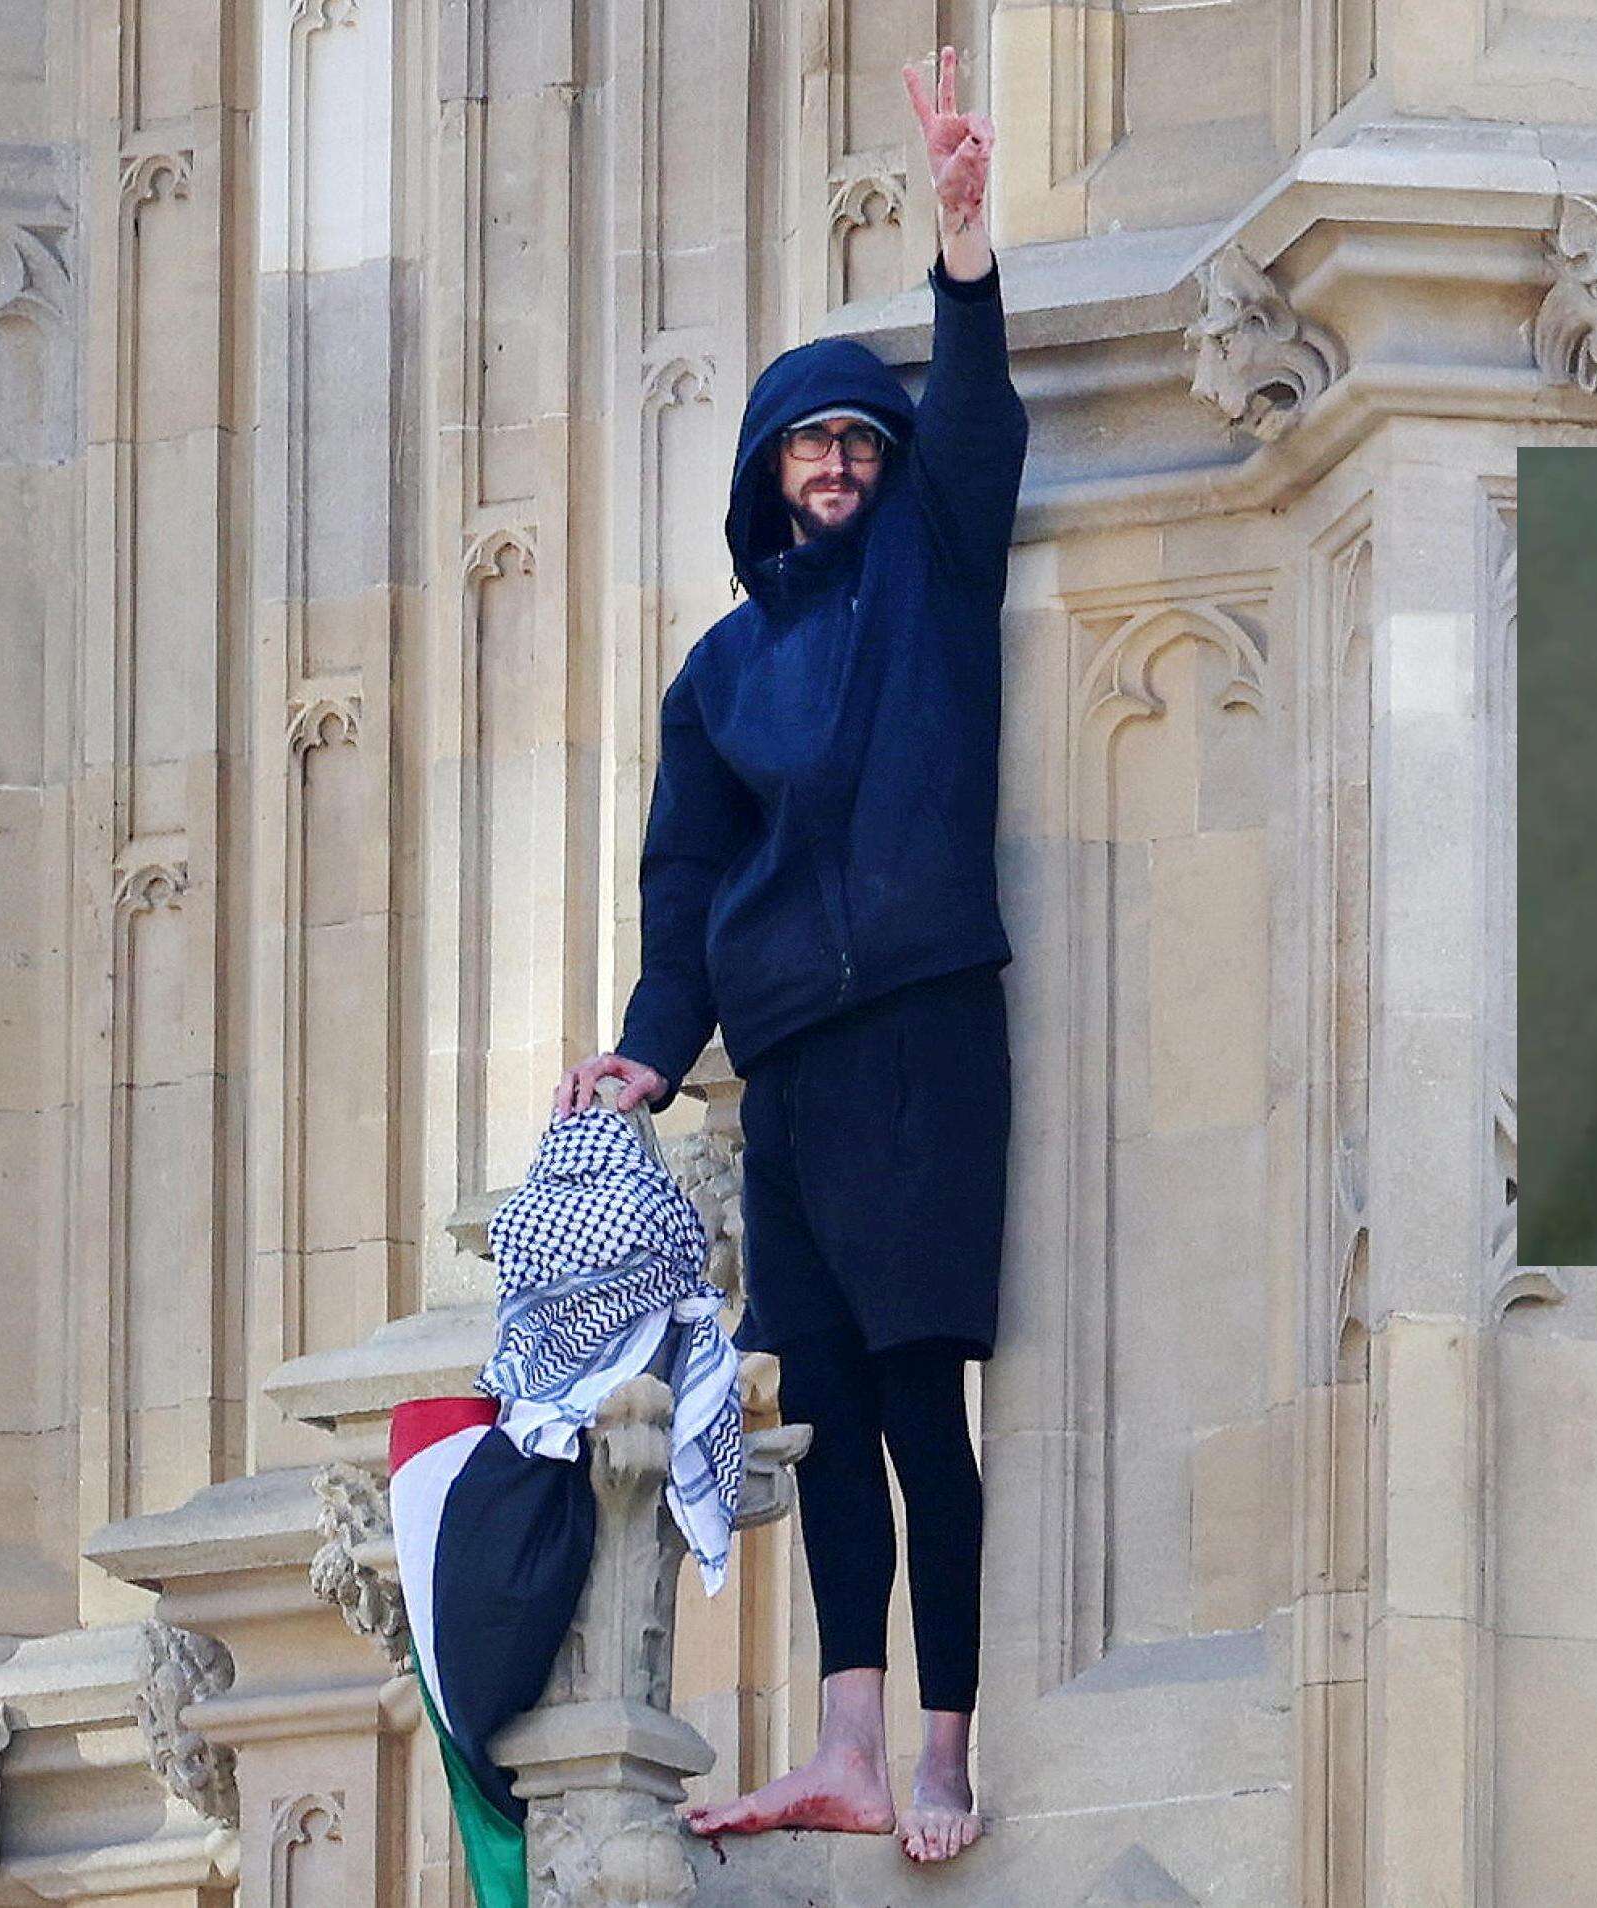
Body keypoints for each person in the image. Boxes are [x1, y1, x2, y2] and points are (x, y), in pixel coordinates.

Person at [553, 43, 1020, 1867]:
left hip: (922, 1022)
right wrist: (647, 1050)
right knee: (817, 1403)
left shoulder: (932, 565)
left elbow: (975, 428)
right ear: (766, 475)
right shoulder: (718, 674)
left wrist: (963, 254)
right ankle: (841, 1735)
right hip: (798, 1057)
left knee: (923, 1390)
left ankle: (947, 1746)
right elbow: (688, 892)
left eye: (855, 442)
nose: (836, 466)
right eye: (809, 445)